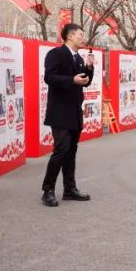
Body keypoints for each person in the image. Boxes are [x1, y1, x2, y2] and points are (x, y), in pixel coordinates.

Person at [41, 23, 94, 207]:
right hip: (59, 113)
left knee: (71, 152)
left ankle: (69, 189)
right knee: (61, 150)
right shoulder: (56, 54)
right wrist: (72, 80)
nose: (83, 37)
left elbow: (85, 82)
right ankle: (47, 190)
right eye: (80, 34)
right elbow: (49, 77)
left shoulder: (78, 58)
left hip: (74, 113)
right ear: (70, 36)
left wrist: (88, 68)